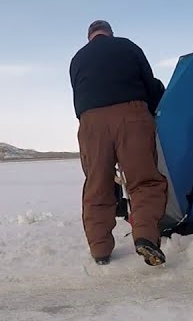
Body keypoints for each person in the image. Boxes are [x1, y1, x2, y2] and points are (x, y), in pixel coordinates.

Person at [69, 19, 168, 266]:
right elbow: (149, 83)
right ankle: (145, 236)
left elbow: (78, 97)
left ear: (89, 36)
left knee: (97, 184)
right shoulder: (127, 47)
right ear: (110, 34)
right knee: (144, 181)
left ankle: (100, 249)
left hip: (91, 122)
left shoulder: (77, 59)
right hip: (131, 116)